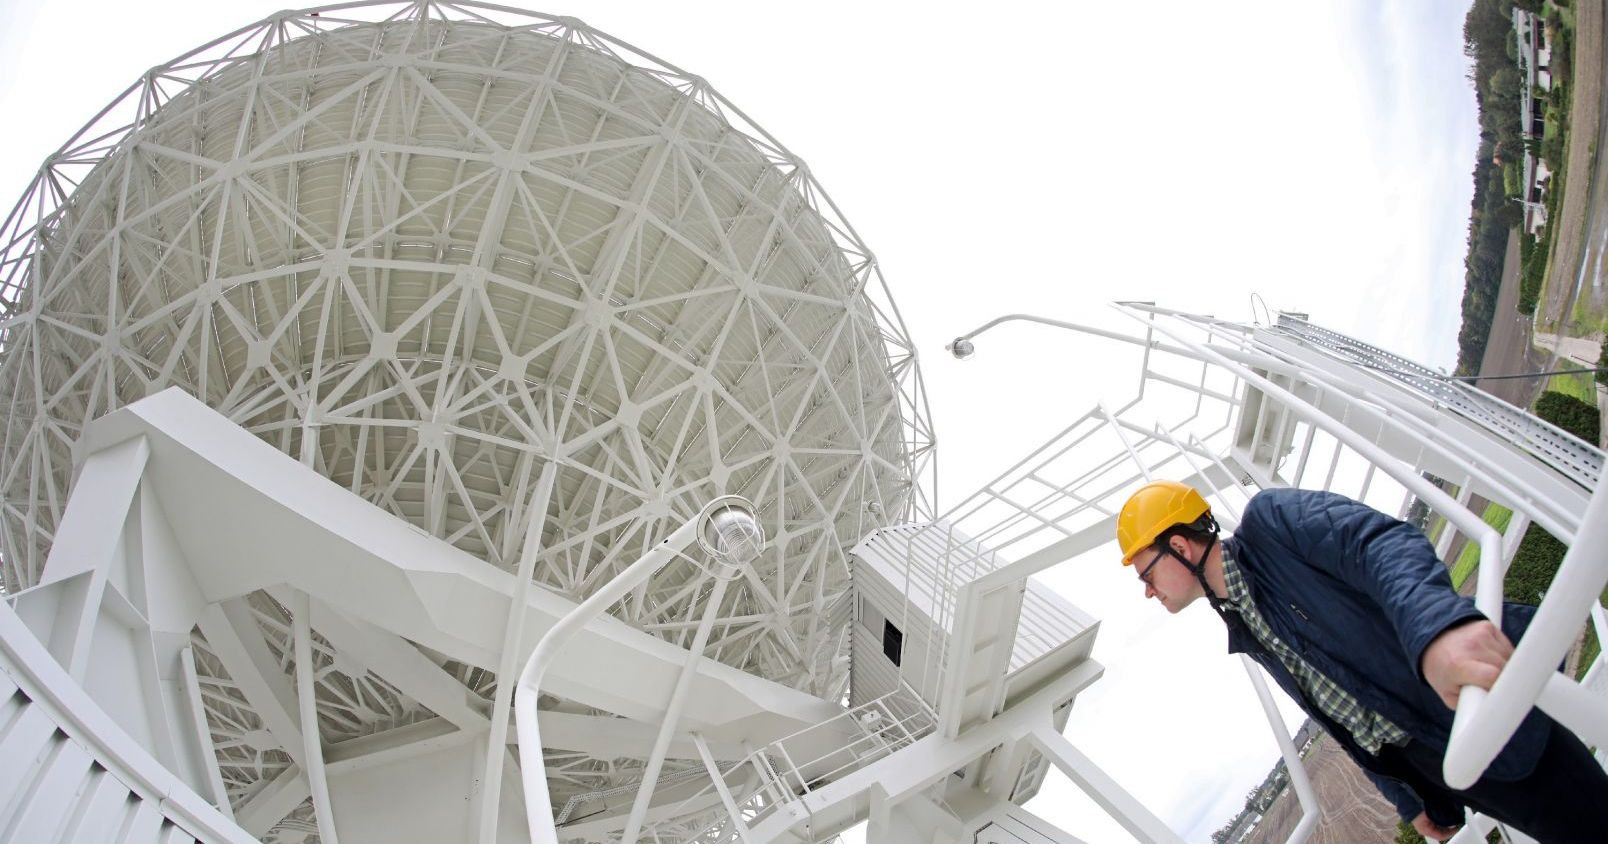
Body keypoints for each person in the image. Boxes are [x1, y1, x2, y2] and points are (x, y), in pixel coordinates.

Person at [1116, 480, 1608, 843]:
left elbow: (1376, 545)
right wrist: (1408, 800)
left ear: (1178, 546)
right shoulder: (1243, 624)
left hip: (1455, 705)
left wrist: (1436, 630)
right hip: (1428, 758)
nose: (1148, 591)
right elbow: (1343, 717)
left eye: (1147, 574)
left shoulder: (1271, 523)